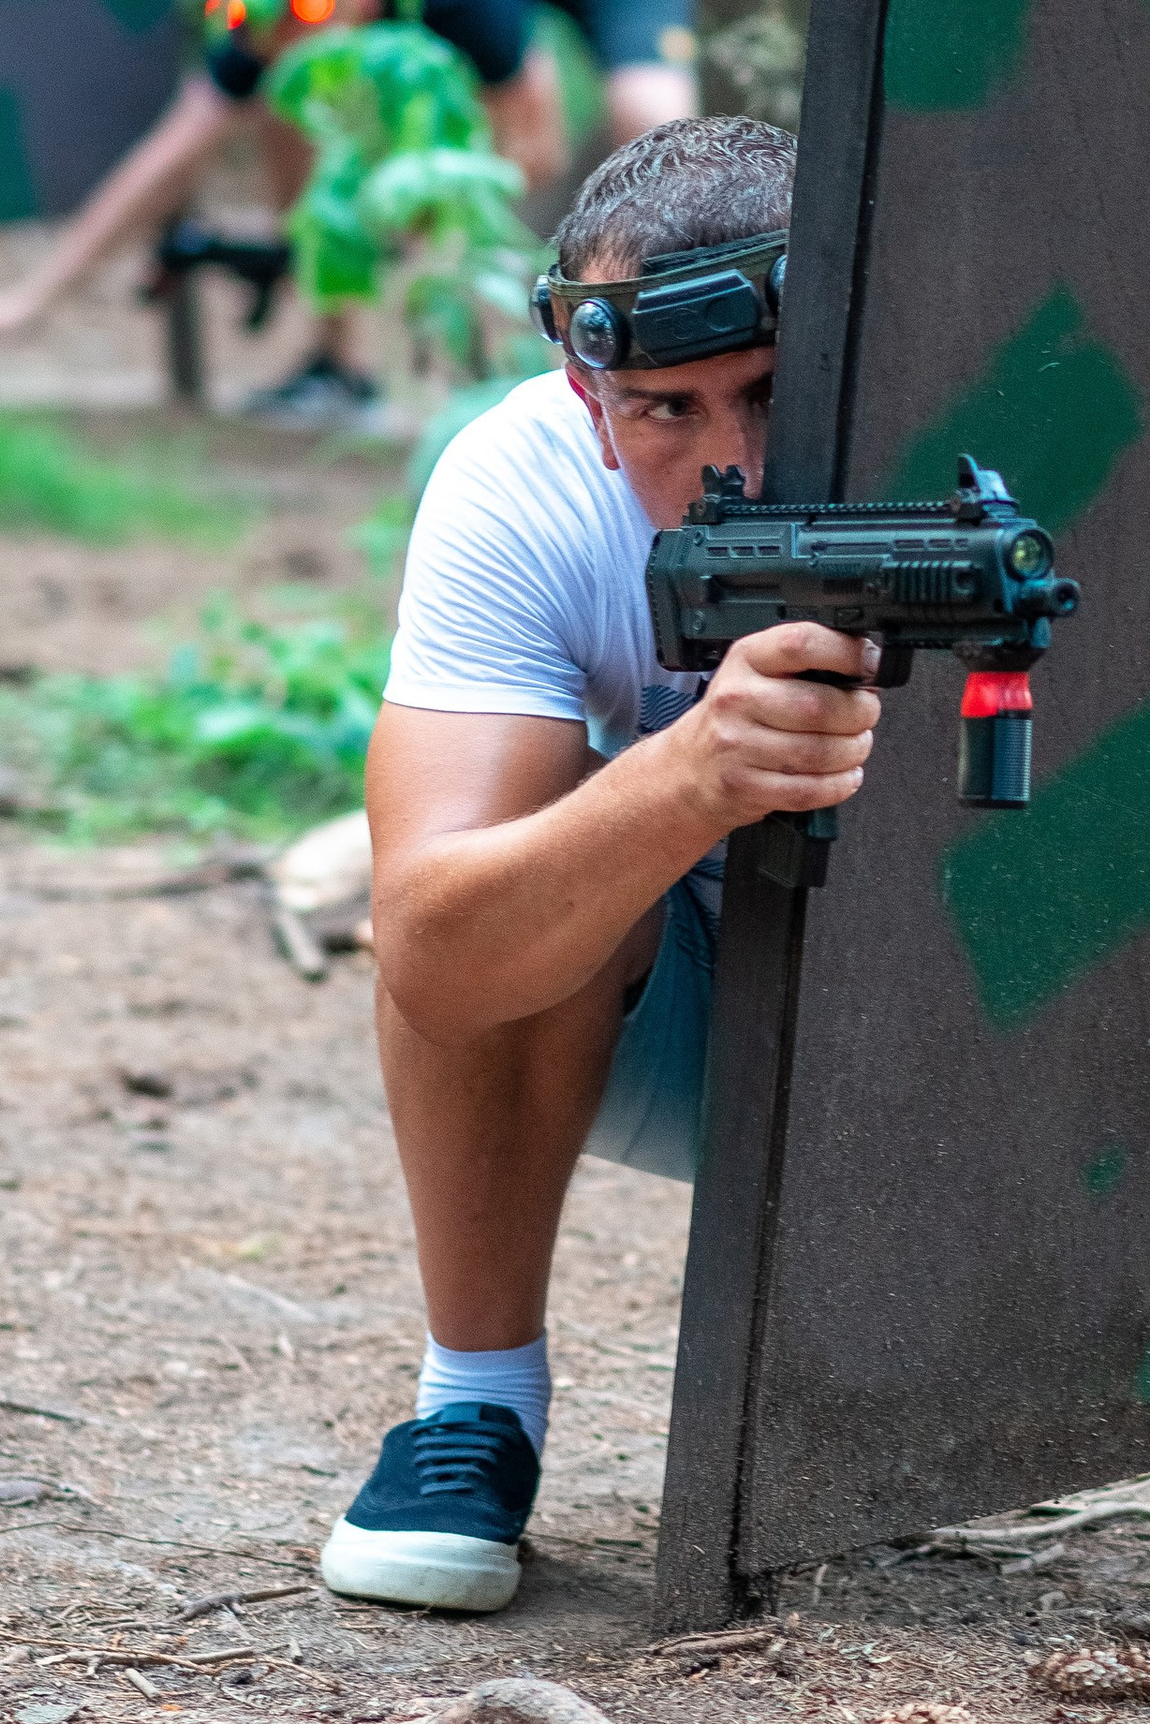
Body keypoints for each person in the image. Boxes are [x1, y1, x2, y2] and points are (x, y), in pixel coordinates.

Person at [316, 111, 879, 1613]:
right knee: (508, 851)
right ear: (585, 387)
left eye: (768, 393)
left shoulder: (978, 435)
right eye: (665, 409)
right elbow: (434, 948)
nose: (732, 462)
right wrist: (684, 779)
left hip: (1000, 1049)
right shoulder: (521, 486)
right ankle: (475, 1406)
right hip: (698, 1025)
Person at [0, 0, 701, 423]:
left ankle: (678, 342)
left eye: (312, 21)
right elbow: (173, 150)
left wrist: (415, 226)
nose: (292, 42)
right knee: (281, 110)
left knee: (647, 111)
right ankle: (337, 364)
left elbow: (537, 144)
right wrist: (31, 299)